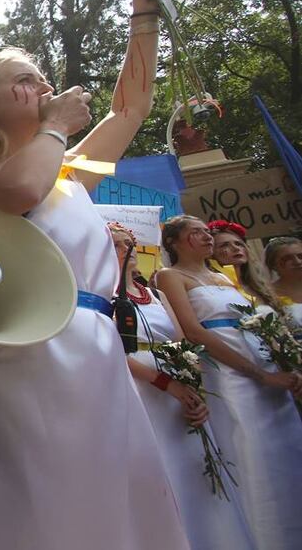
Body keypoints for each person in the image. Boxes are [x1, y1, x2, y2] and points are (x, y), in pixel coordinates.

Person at [0, 0, 190, 549]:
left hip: (98, 351)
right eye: (23, 81)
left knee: (115, 504)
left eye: (43, 79)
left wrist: (142, 16)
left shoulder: (68, 171)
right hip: (25, 350)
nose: (42, 86)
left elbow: (131, 108)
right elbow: (21, 191)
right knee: (46, 506)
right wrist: (53, 128)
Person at [155, 216, 302, 550]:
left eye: (207, 233)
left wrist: (282, 363)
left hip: (264, 369)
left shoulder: (223, 276)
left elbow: (254, 323)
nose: (207, 238)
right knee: (251, 454)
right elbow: (194, 331)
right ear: (175, 242)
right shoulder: (170, 276)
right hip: (228, 374)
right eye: (197, 234)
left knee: (287, 452)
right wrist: (258, 373)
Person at [108, 222, 255, 550]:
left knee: (195, 466)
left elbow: (179, 339)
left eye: (127, 242)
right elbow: (111, 350)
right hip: (138, 387)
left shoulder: (156, 294)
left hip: (176, 380)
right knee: (160, 468)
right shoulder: (102, 296)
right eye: (115, 244)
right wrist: (165, 383)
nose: (125, 250)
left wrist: (191, 385)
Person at [209, 220, 282, 312]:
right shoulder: (211, 291)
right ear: (211, 253)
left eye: (239, 244)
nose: (236, 248)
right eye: (224, 245)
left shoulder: (261, 288)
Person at [266, 236, 302, 329]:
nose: (297, 262)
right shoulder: (267, 295)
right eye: (287, 258)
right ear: (273, 265)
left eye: (300, 256)